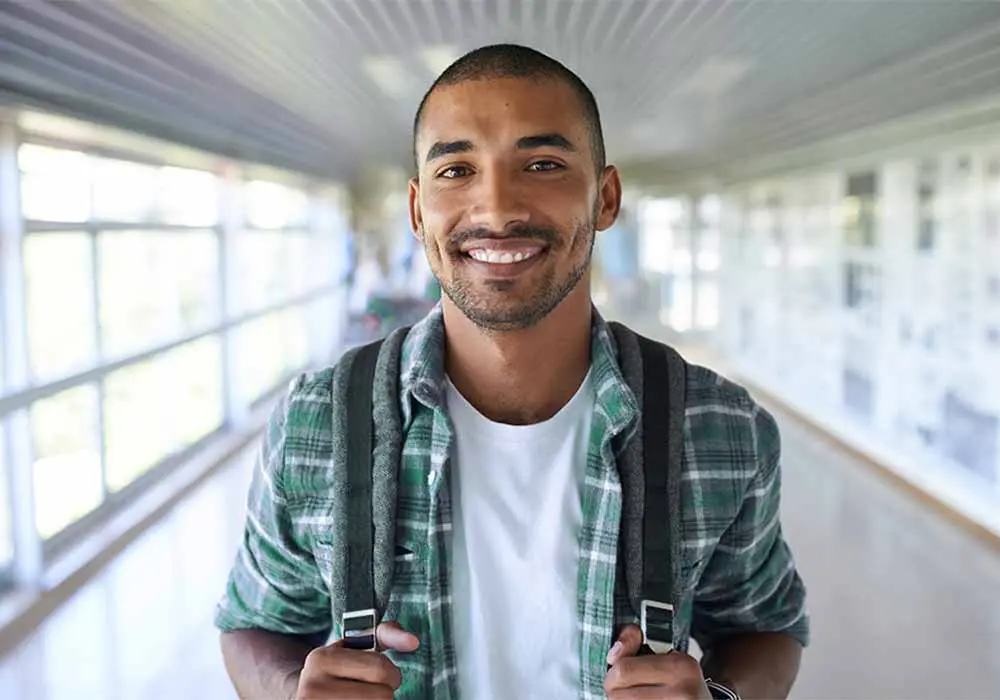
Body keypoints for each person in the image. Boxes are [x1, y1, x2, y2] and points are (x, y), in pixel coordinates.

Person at [215, 44, 809, 700]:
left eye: (543, 164)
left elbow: (766, 628)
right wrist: (290, 689)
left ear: (605, 197)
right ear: (418, 211)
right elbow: (253, 628)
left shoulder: (720, 428)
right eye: (457, 170)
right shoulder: (316, 423)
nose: (496, 210)